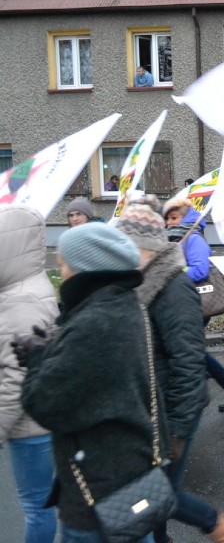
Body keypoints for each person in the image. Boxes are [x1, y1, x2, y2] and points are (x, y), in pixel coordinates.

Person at [17, 222, 156, 542]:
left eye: (64, 264)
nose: (61, 272)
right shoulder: (126, 305)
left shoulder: (93, 321)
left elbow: (43, 404)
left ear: (86, 269)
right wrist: (57, 350)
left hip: (96, 489)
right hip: (129, 472)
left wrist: (39, 359)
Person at [116, 202, 224, 543]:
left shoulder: (173, 288)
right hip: (148, 407)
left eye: (124, 244)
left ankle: (218, 525)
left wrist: (178, 427)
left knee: (160, 494)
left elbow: (189, 361)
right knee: (152, 493)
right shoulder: (136, 283)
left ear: (144, 247)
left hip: (172, 413)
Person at [1, 205, 59, 543]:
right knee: (42, 504)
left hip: (30, 428)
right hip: (37, 422)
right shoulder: (21, 289)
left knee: (36, 506)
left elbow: (16, 380)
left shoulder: (20, 301)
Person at [163, 197, 224, 413]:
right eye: (167, 218)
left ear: (184, 217)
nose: (170, 222)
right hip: (179, 303)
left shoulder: (194, 238)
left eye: (174, 217)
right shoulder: (175, 237)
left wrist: (172, 274)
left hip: (195, 304)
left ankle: (213, 388)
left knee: (188, 350)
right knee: (192, 350)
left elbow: (200, 270)